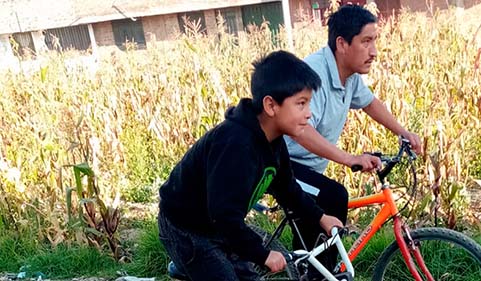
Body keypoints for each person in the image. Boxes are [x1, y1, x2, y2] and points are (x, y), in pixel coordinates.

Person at [158, 50, 343, 281]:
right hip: (187, 228)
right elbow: (223, 214)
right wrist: (262, 253)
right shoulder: (236, 144)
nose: (309, 114)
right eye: (301, 104)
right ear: (271, 105)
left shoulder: (273, 140)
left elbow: (287, 189)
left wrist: (320, 217)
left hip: (219, 225)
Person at [285, 4, 424, 278]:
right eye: (366, 41)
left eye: (375, 41)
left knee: (311, 236)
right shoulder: (314, 75)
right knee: (334, 196)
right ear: (342, 43)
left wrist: (403, 132)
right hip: (282, 164)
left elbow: (370, 103)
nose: (374, 51)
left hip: (310, 171)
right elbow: (299, 131)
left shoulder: (348, 76)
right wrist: (349, 158)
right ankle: (322, 276)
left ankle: (308, 270)